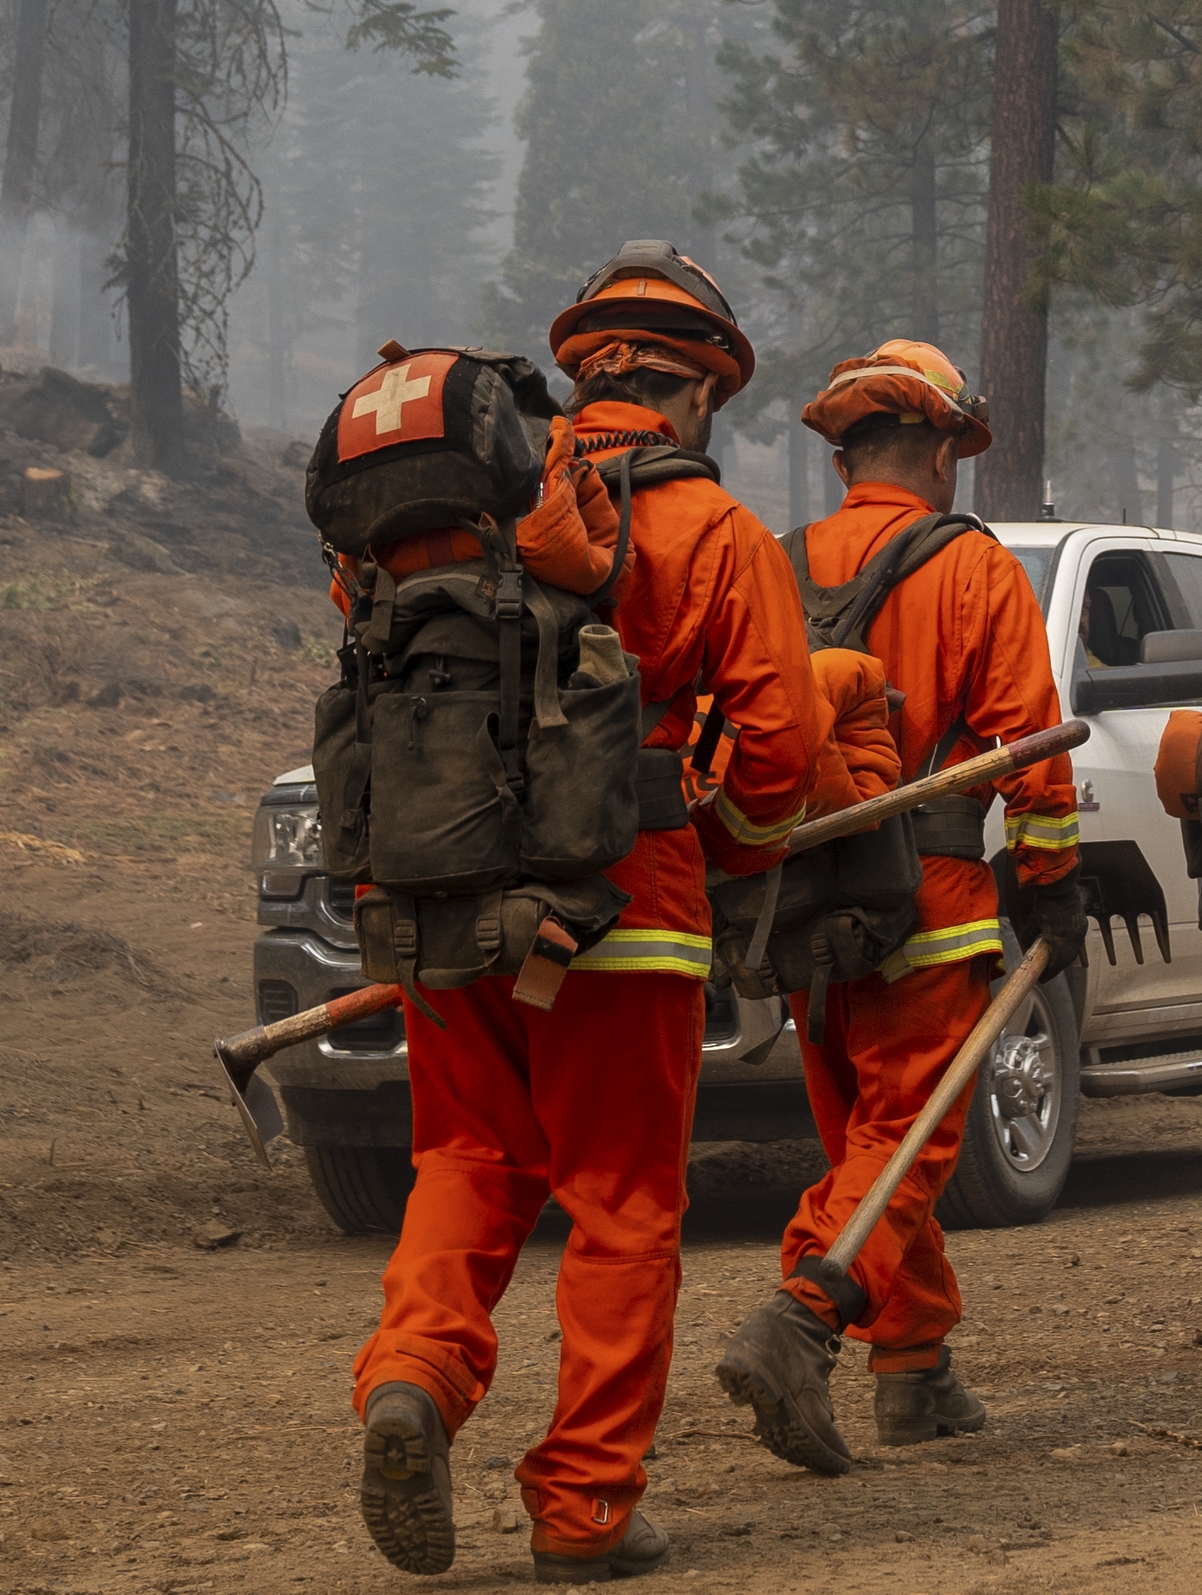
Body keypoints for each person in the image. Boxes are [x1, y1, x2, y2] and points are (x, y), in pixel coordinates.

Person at [351, 246, 818, 1584]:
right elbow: (777, 751)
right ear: (699, 392)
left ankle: (414, 1380)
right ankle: (584, 1505)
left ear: (584, 372)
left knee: (467, 1159)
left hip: (439, 897)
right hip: (623, 915)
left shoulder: (461, 507)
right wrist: (724, 855)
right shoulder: (712, 530)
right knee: (618, 1202)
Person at [708, 343, 1087, 1475]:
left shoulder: (775, 567)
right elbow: (1030, 746)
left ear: (841, 456)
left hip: (803, 915)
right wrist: (1054, 886)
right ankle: (803, 1314)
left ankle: (912, 1369)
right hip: (932, 903)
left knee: (865, 1133)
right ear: (935, 449)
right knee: (909, 1138)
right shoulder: (971, 567)